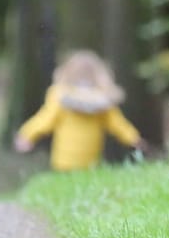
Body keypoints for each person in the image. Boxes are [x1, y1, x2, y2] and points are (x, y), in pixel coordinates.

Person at [13, 50, 147, 171]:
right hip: (90, 161)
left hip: (63, 161)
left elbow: (45, 119)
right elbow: (118, 124)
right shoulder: (102, 98)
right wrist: (134, 138)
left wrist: (27, 134)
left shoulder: (60, 94)